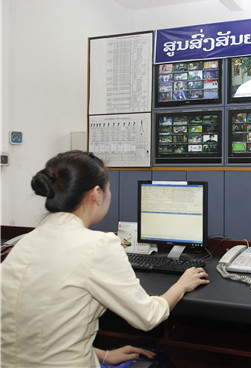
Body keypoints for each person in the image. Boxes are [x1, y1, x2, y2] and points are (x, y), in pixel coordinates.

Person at [1, 151, 210, 367]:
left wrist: (103, 355)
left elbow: (43, 328)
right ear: (97, 193)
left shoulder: (23, 244)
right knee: (158, 358)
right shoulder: (97, 245)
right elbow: (148, 316)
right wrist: (181, 285)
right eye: (108, 189)